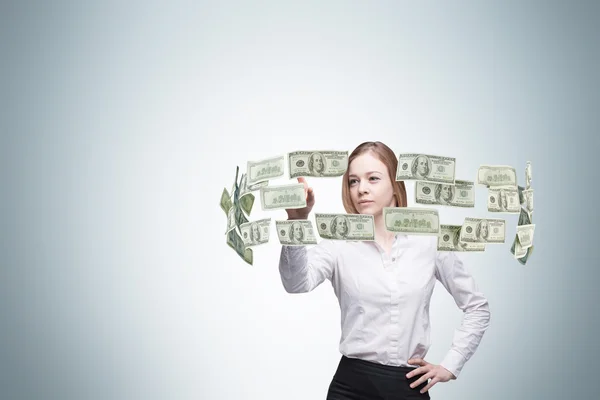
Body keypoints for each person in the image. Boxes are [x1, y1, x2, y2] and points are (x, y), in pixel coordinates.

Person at [279, 141, 491, 399]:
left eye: (373, 179)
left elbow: (477, 307)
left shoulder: (428, 241)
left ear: (395, 185)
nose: (362, 189)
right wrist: (296, 222)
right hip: (350, 386)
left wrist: (451, 364)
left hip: (408, 386)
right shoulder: (339, 244)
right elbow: (296, 283)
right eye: (353, 181)